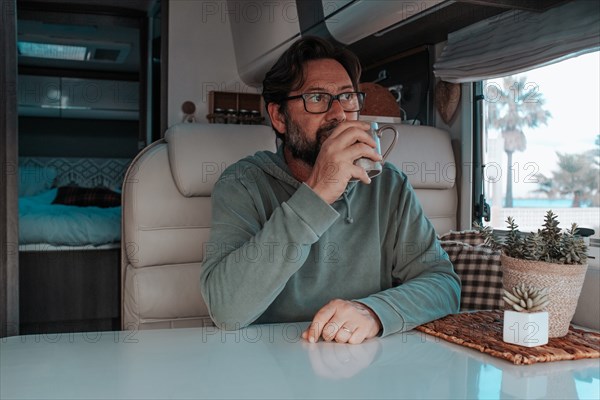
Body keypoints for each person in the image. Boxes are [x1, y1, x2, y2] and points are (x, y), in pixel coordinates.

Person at [201, 36, 460, 344]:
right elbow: (226, 310)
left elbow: (444, 285)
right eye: (316, 98)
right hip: (271, 362)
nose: (338, 114)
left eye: (347, 97)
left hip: (364, 363)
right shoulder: (243, 183)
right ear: (279, 117)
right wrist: (318, 193)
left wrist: (373, 313)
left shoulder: (387, 184)